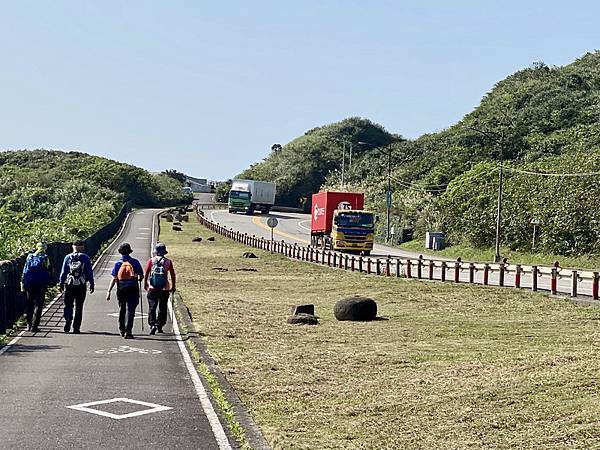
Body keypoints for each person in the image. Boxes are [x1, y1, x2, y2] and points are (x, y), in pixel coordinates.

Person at [106, 242, 144, 339]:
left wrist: (109, 291)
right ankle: (128, 331)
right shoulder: (135, 262)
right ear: (130, 251)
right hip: (133, 288)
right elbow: (141, 276)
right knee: (131, 310)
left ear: (121, 252)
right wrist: (138, 279)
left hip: (121, 289)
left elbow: (114, 278)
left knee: (122, 309)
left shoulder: (118, 263)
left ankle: (122, 329)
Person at [59, 240, 95, 333]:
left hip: (69, 284)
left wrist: (61, 282)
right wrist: (91, 283)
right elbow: (89, 272)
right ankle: (76, 327)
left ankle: (68, 320)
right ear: (82, 247)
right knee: (79, 306)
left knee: (68, 305)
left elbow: (63, 271)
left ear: (72, 246)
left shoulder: (67, 257)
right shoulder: (85, 257)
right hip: (81, 284)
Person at [143, 243, 176, 335]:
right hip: (164, 288)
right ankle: (160, 325)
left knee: (152, 307)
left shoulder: (151, 261)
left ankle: (152, 324)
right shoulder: (168, 262)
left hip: (152, 288)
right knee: (163, 307)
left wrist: (145, 283)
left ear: (156, 252)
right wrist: (173, 286)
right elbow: (173, 274)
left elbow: (146, 273)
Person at [21, 242, 53, 332]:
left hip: (29, 283)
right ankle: (34, 326)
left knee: (29, 303)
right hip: (41, 284)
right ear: (45, 248)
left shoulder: (30, 256)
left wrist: (23, 282)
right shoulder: (45, 257)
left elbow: (25, 270)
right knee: (38, 305)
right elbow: (48, 269)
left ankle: (28, 324)